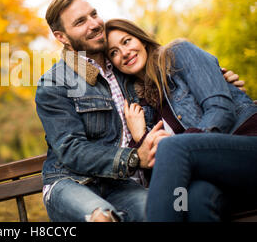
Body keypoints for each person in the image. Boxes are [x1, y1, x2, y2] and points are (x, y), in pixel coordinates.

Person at [35, 0, 244, 222]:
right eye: (80, 21)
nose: (94, 24)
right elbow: (72, 149)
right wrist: (134, 157)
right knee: (102, 218)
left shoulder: (126, 70)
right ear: (61, 36)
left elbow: (173, 88)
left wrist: (216, 77)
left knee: (164, 210)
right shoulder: (54, 82)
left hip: (123, 184)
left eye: (93, 14)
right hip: (73, 182)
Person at [104, 18, 257, 221]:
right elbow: (161, 176)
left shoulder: (178, 53)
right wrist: (141, 137)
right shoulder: (139, 109)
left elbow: (220, 110)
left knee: (171, 147)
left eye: (126, 41)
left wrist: (183, 145)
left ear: (141, 39)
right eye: (113, 52)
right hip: (223, 181)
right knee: (194, 199)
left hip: (247, 148)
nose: (124, 53)